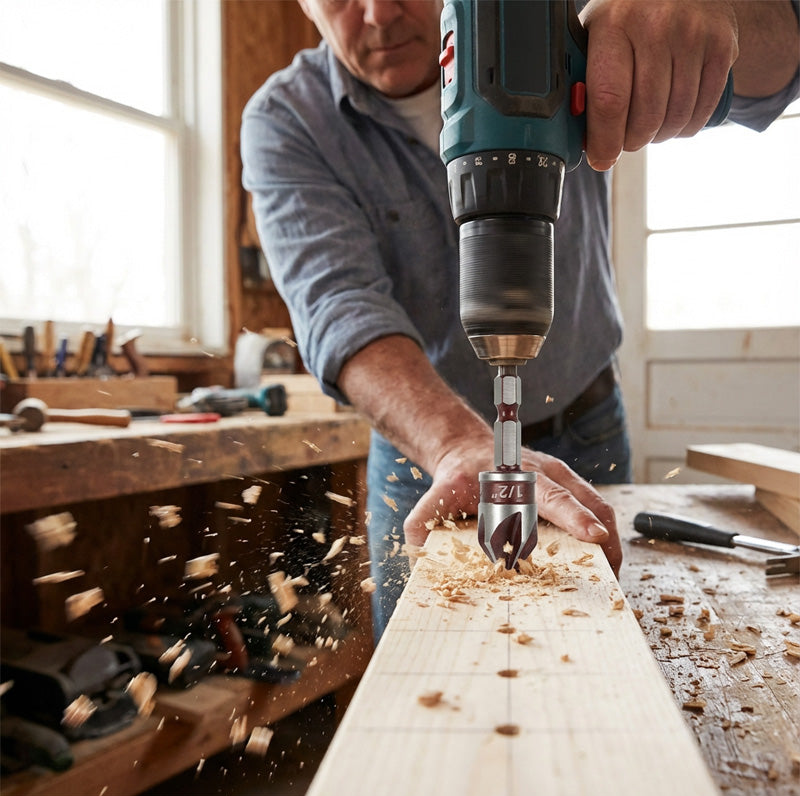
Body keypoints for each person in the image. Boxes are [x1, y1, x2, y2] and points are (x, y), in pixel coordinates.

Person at [242, 0, 800, 640]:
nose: (377, 13)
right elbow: (339, 308)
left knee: (596, 644)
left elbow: (780, 66)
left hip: (586, 429)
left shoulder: (547, 17)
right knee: (426, 663)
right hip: (429, 459)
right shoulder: (289, 119)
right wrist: (455, 444)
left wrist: (722, 16)